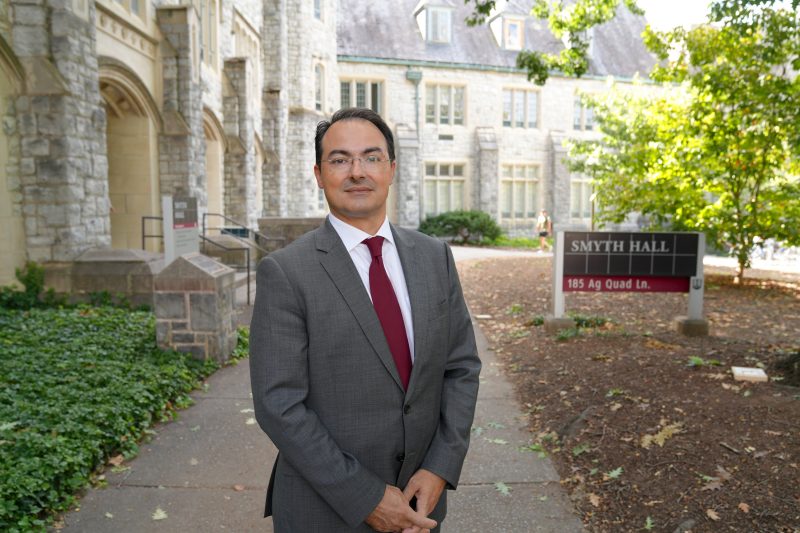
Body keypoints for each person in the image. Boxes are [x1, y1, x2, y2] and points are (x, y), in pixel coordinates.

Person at [249, 107, 481, 532]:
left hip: (420, 506)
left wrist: (440, 467)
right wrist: (367, 497)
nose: (357, 171)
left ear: (391, 169)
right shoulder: (286, 272)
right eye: (339, 160)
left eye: (371, 157)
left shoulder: (435, 258)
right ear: (319, 174)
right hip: (324, 511)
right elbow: (278, 404)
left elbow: (461, 368)